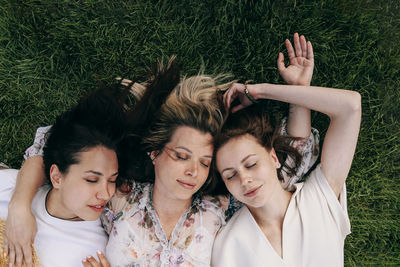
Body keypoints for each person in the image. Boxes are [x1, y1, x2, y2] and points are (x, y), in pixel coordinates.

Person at [5, 35, 318, 266]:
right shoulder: (118, 196)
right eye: (181, 156)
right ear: (154, 153)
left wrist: (298, 92)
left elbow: (292, 162)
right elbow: (51, 143)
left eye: (205, 162)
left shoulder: (220, 208)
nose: (193, 172)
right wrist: (20, 206)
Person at [211, 36, 361, 267]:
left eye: (251, 164)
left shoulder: (320, 197)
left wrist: (260, 91)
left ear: (273, 158)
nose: (245, 180)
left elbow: (350, 107)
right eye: (230, 175)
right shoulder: (226, 244)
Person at [0, 87, 127, 266]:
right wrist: (18, 207)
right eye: (92, 179)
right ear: (57, 177)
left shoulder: (93, 252)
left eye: (112, 179)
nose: (106, 194)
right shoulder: (10, 186)